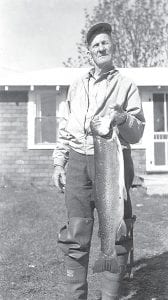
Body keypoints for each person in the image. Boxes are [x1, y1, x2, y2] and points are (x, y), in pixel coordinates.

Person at [52, 22, 145, 300]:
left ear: (112, 46)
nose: (101, 48)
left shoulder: (126, 84)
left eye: (105, 42)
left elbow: (137, 131)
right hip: (79, 164)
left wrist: (123, 118)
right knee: (76, 231)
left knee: (116, 231)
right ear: (89, 52)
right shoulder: (76, 85)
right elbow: (66, 127)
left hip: (113, 161)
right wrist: (59, 161)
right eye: (96, 45)